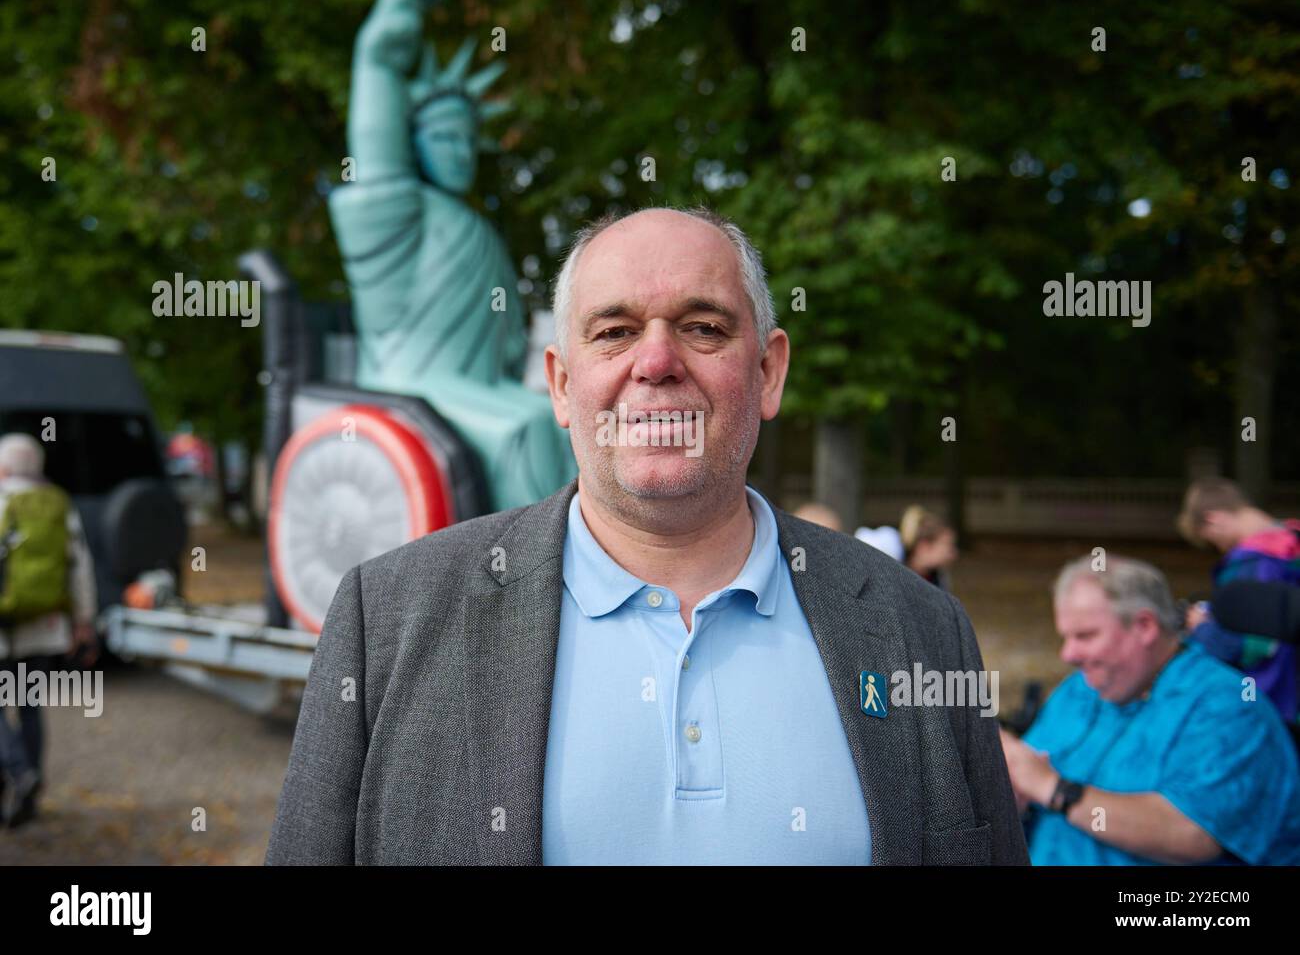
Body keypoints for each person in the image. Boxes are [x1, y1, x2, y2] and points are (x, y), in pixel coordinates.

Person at [267, 206, 1028, 865]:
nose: (656, 362)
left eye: (702, 327)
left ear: (768, 372)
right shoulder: (387, 619)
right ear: (562, 385)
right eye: (615, 330)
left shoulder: (920, 629)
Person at [1001, 554, 1300, 865]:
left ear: (1144, 626)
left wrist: (1053, 789)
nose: (1068, 654)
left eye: (1085, 636)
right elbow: (1028, 770)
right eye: (1065, 637)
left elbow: (1192, 834)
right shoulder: (1079, 689)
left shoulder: (1228, 706)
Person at [0, 433, 98, 828]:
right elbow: (80, 567)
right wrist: (84, 622)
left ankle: (18, 771)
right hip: (43, 627)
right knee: (28, 705)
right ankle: (30, 789)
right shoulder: (59, 503)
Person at [1177, 477, 1300, 731]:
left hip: (1275, 706)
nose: (1220, 548)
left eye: (1211, 540)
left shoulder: (1250, 563)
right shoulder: (1293, 538)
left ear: (1213, 519)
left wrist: (1201, 628)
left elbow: (1253, 646)